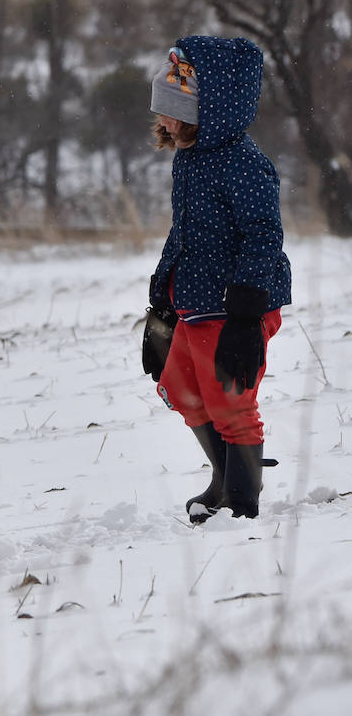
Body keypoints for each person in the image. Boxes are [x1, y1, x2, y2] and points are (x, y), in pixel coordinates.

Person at [140, 36, 290, 523]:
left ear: (208, 110)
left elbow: (264, 237)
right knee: (180, 387)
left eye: (173, 111)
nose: (163, 121)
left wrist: (247, 315)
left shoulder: (243, 164)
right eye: (161, 110)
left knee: (229, 399)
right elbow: (183, 233)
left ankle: (242, 503)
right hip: (195, 301)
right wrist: (162, 301)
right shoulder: (191, 157)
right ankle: (224, 477)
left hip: (235, 306)